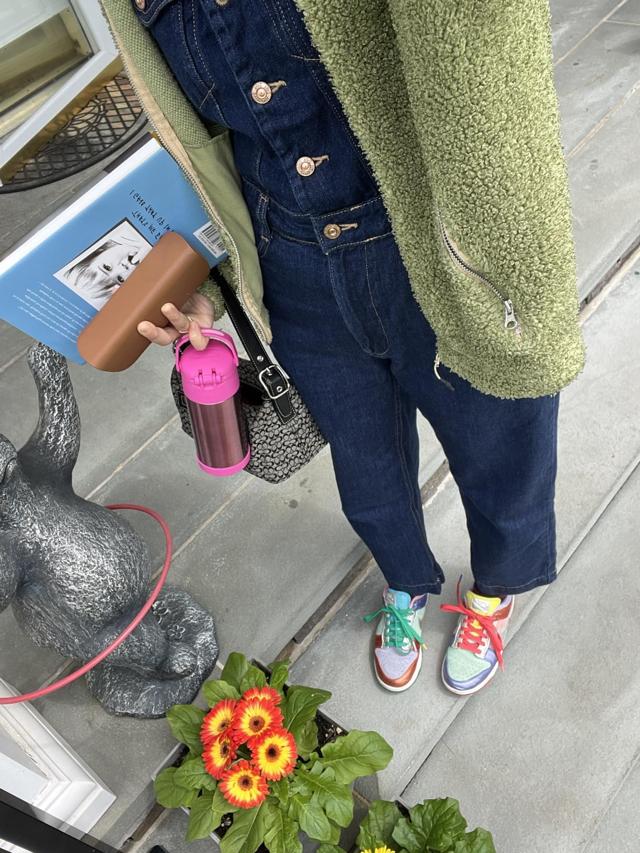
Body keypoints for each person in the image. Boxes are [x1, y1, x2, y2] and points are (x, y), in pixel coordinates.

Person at [99, 0, 586, 694]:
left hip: (429, 238)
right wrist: (206, 279)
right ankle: (406, 582)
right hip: (292, 260)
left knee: (499, 441)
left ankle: (493, 589)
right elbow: (190, 136)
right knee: (365, 460)